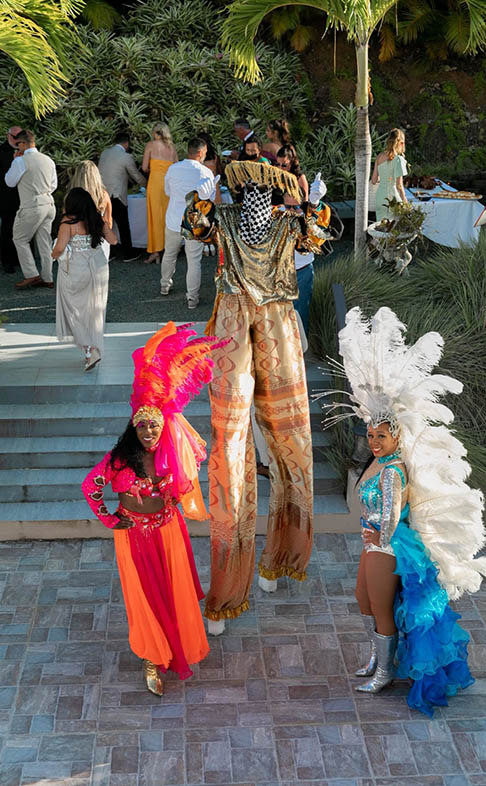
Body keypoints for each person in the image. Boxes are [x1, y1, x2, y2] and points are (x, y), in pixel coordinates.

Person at [182, 161, 343, 635]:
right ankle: (230, 582)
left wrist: (314, 206)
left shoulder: (288, 224)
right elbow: (195, 226)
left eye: (261, 191)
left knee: (289, 437)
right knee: (229, 447)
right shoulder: (225, 221)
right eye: (245, 190)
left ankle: (281, 556)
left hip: (276, 321)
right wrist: (203, 200)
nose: (254, 199)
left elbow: (318, 235)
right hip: (234, 320)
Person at [321, 306, 486, 716]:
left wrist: (377, 537)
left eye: (381, 435)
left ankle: (383, 673)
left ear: (395, 435)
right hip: (372, 544)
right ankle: (375, 659)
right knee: (363, 601)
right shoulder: (377, 463)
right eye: (371, 435)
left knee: (380, 607)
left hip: (387, 546)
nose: (375, 441)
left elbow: (392, 513)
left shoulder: (392, 471)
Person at [82, 322, 225, 695]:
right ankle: (152, 656)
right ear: (134, 427)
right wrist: (109, 518)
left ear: (163, 428)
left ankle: (175, 648)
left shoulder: (168, 459)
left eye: (154, 427)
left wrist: (171, 498)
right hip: (133, 538)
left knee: (172, 594)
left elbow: (183, 487)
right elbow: (90, 486)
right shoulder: (119, 460)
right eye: (142, 426)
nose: (148, 432)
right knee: (144, 599)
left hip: (168, 533)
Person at [53, 188, 117, 371]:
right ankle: (91, 349)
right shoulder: (97, 219)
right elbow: (113, 240)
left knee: (75, 309)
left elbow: (59, 249)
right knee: (95, 310)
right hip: (98, 266)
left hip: (77, 268)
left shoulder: (68, 223)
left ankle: (90, 349)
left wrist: (52, 255)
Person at [160, 137, 214, 307]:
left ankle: (164, 285)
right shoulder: (205, 172)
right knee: (194, 261)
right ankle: (192, 298)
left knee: (169, 254)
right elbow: (208, 199)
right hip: (194, 222)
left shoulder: (173, 169)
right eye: (205, 152)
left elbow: (167, 191)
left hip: (174, 219)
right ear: (199, 153)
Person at [5, 129, 57, 289]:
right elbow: (54, 185)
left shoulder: (20, 161)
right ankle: (48, 278)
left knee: (19, 238)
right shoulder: (48, 159)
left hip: (32, 205)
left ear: (22, 144)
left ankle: (31, 274)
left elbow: (9, 182)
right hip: (49, 203)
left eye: (18, 145)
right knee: (44, 241)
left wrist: (14, 160)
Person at [98, 132, 146, 262]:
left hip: (102, 194)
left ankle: (109, 252)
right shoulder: (126, 156)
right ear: (127, 143)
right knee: (123, 224)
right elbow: (136, 176)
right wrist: (147, 185)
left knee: (107, 223)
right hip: (116, 194)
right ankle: (129, 253)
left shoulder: (105, 153)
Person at [141, 122, 178, 264]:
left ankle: (155, 252)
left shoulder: (150, 145)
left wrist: (155, 169)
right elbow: (177, 167)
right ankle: (170, 249)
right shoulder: (172, 148)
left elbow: (144, 167)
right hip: (169, 184)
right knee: (168, 216)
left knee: (154, 216)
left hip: (155, 183)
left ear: (156, 133)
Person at [66, 161, 113, 260]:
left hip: (77, 241)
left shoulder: (71, 196)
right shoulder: (103, 195)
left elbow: (66, 221)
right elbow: (108, 222)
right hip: (98, 240)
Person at [371, 128, 408, 222]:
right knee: (393, 229)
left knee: (380, 227)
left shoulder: (379, 156)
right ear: (400, 143)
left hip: (380, 197)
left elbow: (374, 180)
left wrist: (385, 178)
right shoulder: (398, 160)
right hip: (392, 198)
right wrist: (405, 202)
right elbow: (399, 185)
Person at [0, 125, 22, 273]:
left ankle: (21, 258)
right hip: (6, 196)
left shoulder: (25, 150)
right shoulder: (1, 152)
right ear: (8, 136)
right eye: (14, 137)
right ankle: (8, 261)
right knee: (8, 229)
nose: (17, 140)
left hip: (22, 195)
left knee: (22, 228)